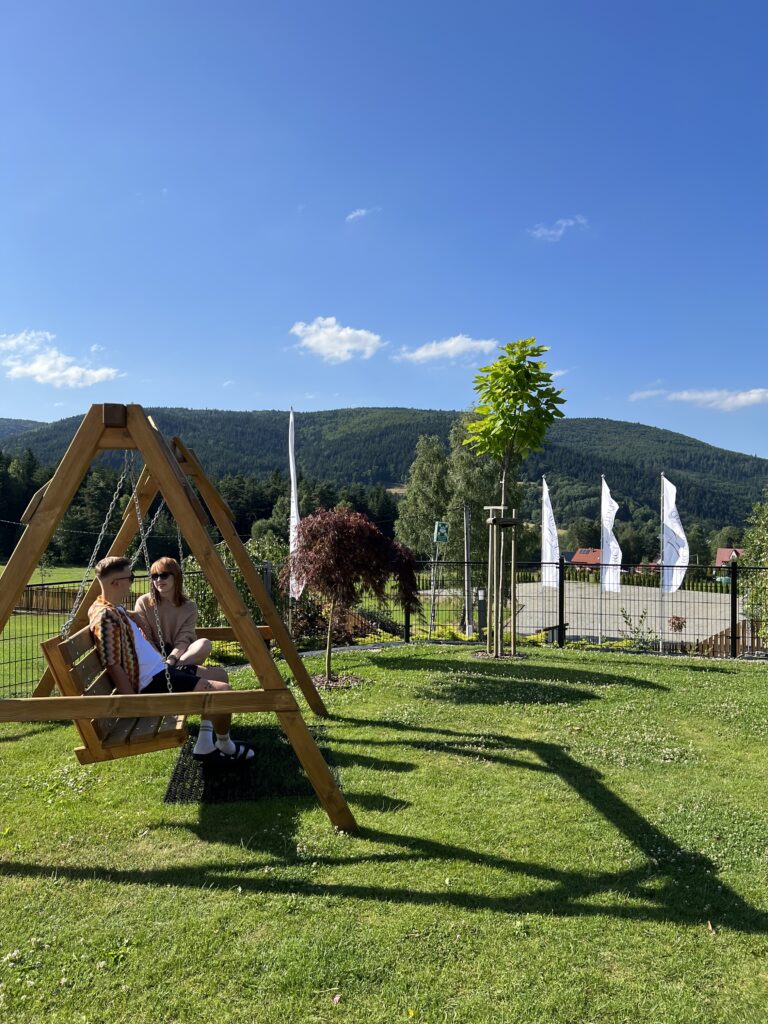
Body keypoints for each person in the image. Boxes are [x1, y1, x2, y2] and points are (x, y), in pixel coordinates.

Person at [88, 556, 253, 763]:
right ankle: (223, 744)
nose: (131, 582)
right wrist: (132, 703)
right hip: (152, 681)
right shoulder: (105, 617)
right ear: (115, 583)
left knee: (220, 676)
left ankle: (207, 742)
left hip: (161, 670)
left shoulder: (113, 608)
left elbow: (124, 622)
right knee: (222, 691)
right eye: (130, 578)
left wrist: (135, 617)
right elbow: (111, 663)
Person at [134, 556, 211, 668]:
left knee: (205, 644)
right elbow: (145, 638)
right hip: (152, 654)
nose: (159, 580)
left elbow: (184, 639)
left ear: (176, 577)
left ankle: (172, 671)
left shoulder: (189, 607)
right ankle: (170, 671)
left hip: (179, 655)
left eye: (164, 575)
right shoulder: (143, 602)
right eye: (154, 576)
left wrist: (171, 660)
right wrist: (160, 660)